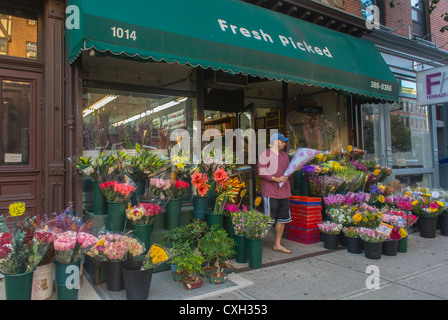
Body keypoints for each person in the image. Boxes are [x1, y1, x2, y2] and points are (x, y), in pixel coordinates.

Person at [257, 133, 292, 254]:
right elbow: (261, 171)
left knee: (282, 219)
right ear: (275, 142)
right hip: (271, 192)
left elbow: (288, 170)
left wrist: (297, 167)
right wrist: (276, 179)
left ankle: (277, 244)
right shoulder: (265, 154)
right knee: (269, 219)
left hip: (284, 192)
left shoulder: (285, 156)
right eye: (283, 141)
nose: (285, 143)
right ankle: (256, 241)